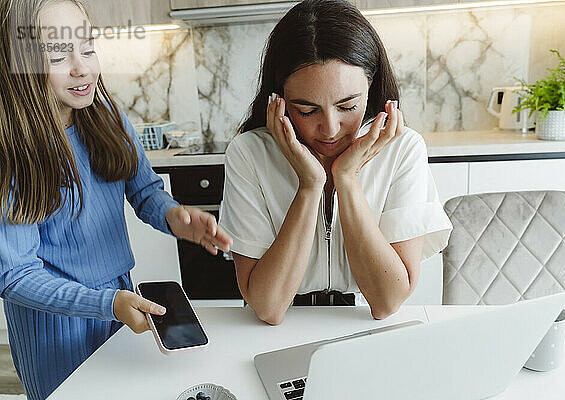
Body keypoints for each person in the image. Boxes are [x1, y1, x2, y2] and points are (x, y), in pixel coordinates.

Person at [0, 1, 232, 398]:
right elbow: (16, 275)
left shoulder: (106, 115)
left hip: (121, 302)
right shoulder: (12, 152)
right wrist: (106, 303)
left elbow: (144, 192)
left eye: (87, 47)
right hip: (56, 326)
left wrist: (174, 215)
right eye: (59, 54)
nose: (83, 67)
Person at [219, 0, 452, 326]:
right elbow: (268, 308)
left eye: (347, 106)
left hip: (361, 323)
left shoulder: (402, 149)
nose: (329, 129)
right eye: (306, 109)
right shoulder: (249, 154)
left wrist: (348, 178)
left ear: (370, 87)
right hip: (277, 328)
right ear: (280, 99)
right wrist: (310, 185)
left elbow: (386, 302)